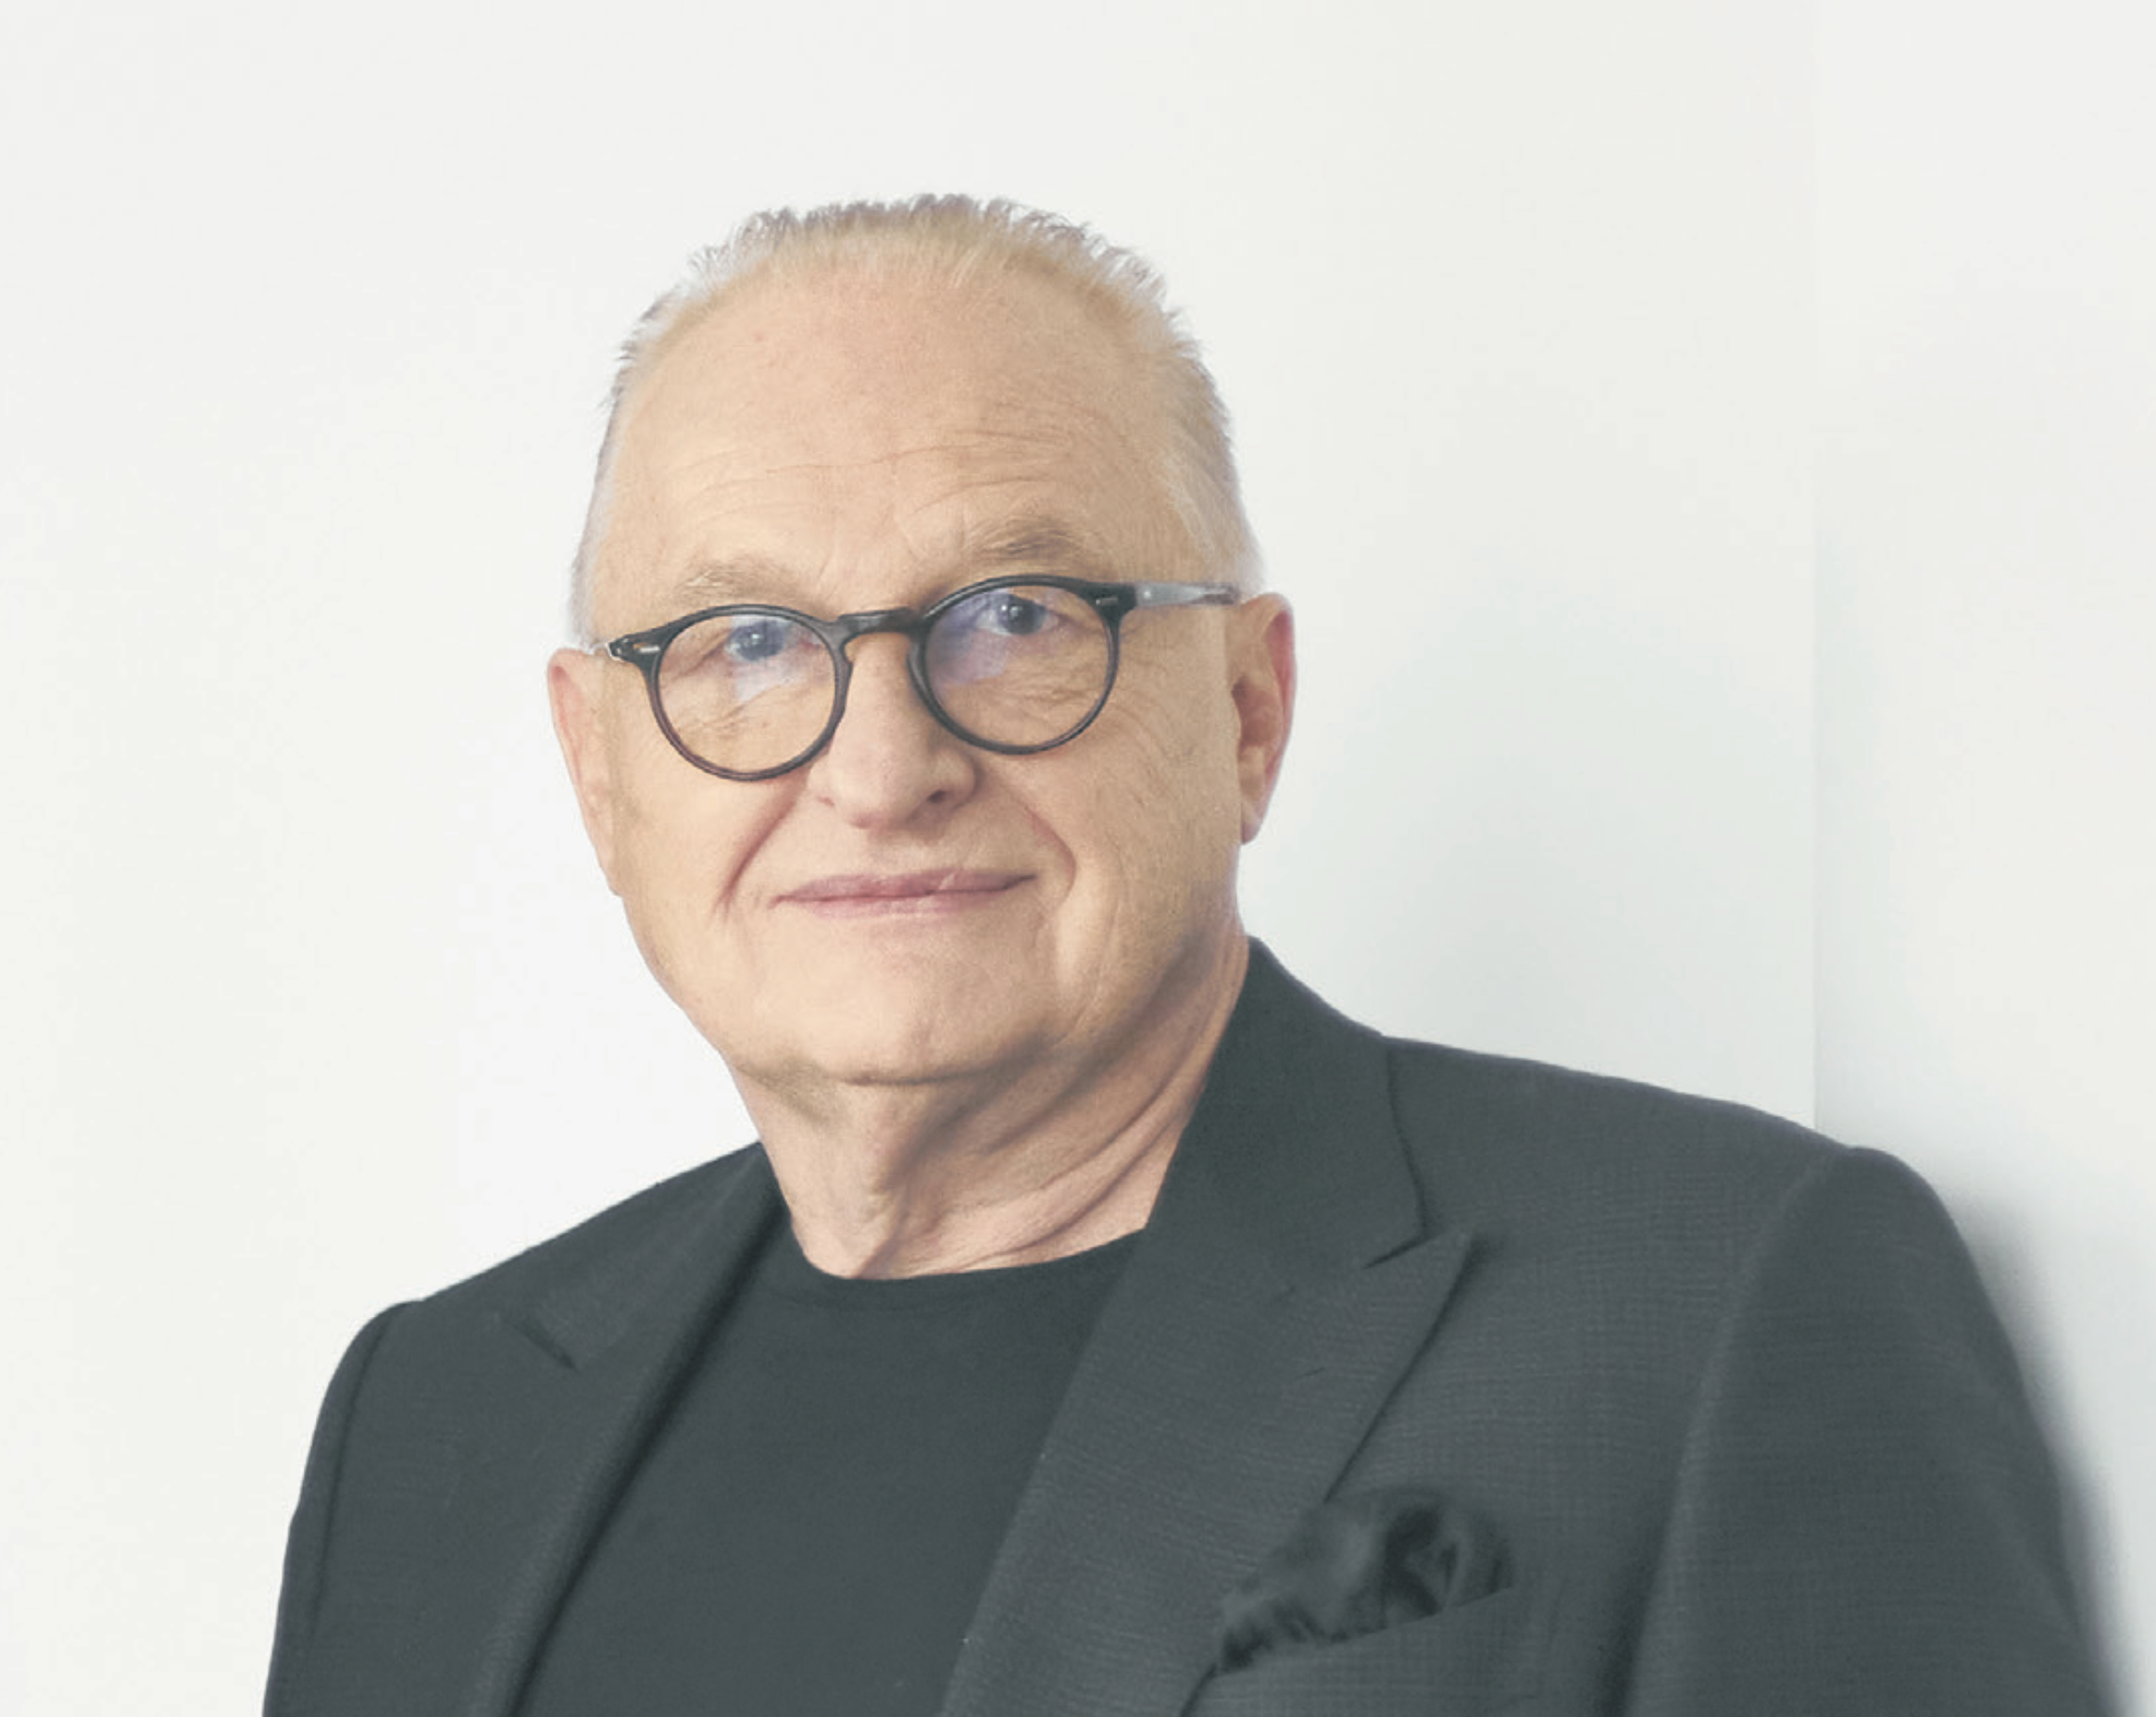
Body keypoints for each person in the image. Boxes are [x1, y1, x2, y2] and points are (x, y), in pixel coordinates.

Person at [264, 196, 2108, 1717]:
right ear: (600, 773)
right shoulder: (437, 1416)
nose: (883, 770)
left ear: (1245, 711)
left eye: (1016, 616)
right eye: (746, 644)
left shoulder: (1720, 1302)